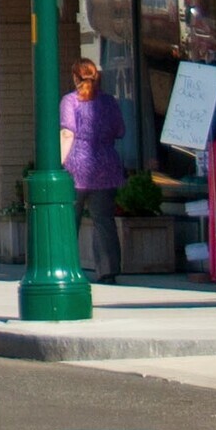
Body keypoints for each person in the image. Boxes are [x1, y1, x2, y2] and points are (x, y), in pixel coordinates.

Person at [62, 58, 129, 286]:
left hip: (76, 166)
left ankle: (66, 267)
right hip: (105, 167)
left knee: (69, 220)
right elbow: (120, 130)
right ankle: (107, 271)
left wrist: (59, 163)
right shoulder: (109, 102)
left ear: (75, 77)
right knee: (104, 221)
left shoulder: (70, 101)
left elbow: (67, 133)